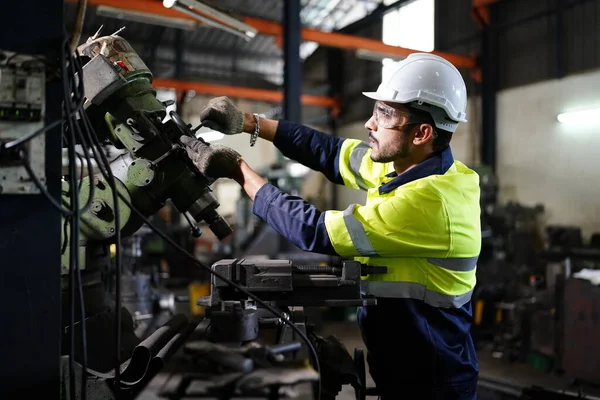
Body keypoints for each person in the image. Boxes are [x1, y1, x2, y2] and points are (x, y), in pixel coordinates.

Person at [180, 53, 481, 399]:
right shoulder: (404, 166)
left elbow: (316, 230)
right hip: (404, 364)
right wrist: (248, 122)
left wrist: (240, 172)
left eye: (384, 114)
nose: (370, 123)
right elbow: (329, 150)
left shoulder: (430, 202)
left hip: (432, 380)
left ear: (422, 133)